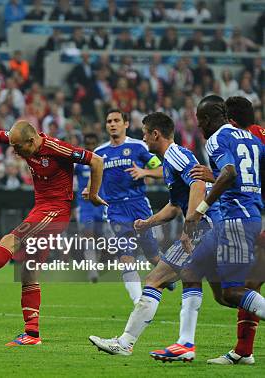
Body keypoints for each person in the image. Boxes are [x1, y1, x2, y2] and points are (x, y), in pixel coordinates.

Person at [0, 120, 106, 346]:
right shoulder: (21, 140)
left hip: (55, 210)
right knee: (29, 272)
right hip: (41, 207)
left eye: (18, 148)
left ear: (32, 141)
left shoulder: (56, 148)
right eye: (13, 147)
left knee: (11, 240)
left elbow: (97, 160)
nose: (15, 152)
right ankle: (32, 334)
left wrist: (93, 195)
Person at [88, 112, 221, 361]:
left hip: (205, 227)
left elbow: (199, 185)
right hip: (211, 226)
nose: (144, 138)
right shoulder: (169, 160)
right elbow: (174, 206)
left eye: (146, 133)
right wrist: (148, 222)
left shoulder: (176, 155)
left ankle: (126, 342)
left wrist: (190, 225)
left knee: (155, 278)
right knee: (214, 290)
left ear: (155, 134)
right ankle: (185, 345)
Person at [190, 96, 264, 365]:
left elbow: (230, 171)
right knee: (244, 288)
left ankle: (187, 343)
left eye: (200, 123)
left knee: (234, 292)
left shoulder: (219, 139)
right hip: (254, 214)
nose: (200, 128)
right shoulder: (254, 138)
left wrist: (201, 207)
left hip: (238, 217)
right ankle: (243, 351)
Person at [90, 109, 164, 305]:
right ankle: (139, 303)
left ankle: (168, 275)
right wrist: (90, 189)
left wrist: (144, 171)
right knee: (125, 254)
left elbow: (163, 169)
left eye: (116, 120)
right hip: (115, 210)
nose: (112, 124)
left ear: (126, 124)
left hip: (139, 206)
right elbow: (94, 179)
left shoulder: (139, 147)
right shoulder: (99, 153)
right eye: (109, 121)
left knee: (153, 256)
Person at [74, 133, 104, 283]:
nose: (91, 146)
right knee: (88, 234)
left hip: (100, 203)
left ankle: (97, 263)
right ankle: (92, 270)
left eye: (93, 143)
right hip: (85, 205)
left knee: (102, 237)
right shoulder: (79, 162)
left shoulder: (103, 159)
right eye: (88, 144)